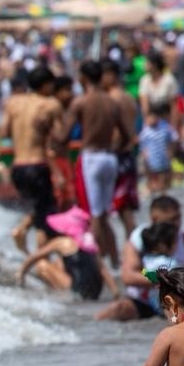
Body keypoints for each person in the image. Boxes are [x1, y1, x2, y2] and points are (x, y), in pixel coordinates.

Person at [97, 196, 184, 321]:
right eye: (170, 220)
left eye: (178, 218)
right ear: (154, 220)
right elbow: (128, 276)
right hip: (143, 301)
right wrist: (167, 280)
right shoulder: (139, 239)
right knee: (117, 308)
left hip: (180, 302)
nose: (176, 224)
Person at [64, 61, 133, 268]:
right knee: (103, 214)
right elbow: (127, 136)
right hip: (110, 158)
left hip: (91, 158)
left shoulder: (81, 102)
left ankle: (98, 265)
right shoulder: (112, 102)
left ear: (84, 78)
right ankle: (114, 263)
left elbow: (63, 134)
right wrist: (114, 149)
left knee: (94, 215)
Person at [3, 66, 65, 253]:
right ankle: (41, 258)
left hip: (18, 168)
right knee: (45, 218)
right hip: (37, 165)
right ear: (46, 85)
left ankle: (23, 229)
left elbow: (4, 132)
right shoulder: (50, 104)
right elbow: (60, 137)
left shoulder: (13, 102)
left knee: (37, 209)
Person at [17, 206, 118, 302]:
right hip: (95, 292)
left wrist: (20, 275)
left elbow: (33, 258)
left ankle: (56, 295)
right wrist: (116, 293)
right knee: (59, 262)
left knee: (42, 265)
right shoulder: (90, 244)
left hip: (77, 291)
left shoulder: (63, 242)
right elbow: (103, 271)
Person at [103, 59, 141, 234]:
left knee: (119, 209)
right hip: (128, 155)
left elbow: (118, 133)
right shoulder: (128, 97)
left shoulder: (112, 98)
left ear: (110, 76)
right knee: (125, 209)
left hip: (117, 155)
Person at [139, 103, 179, 197]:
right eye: (149, 118)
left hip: (163, 160)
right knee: (151, 181)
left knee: (163, 181)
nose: (151, 120)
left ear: (158, 118)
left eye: (153, 117)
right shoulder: (145, 132)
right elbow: (143, 147)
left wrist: (171, 154)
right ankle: (152, 190)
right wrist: (145, 159)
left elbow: (171, 141)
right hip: (151, 161)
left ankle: (163, 194)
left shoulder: (164, 129)